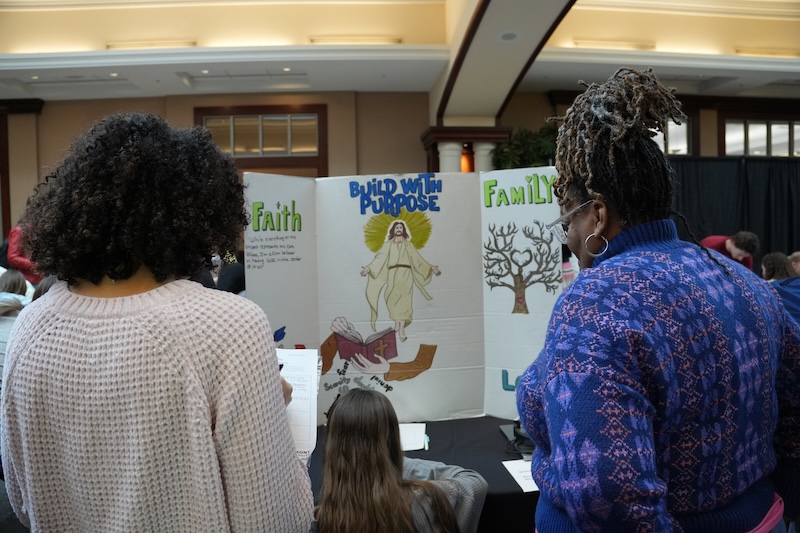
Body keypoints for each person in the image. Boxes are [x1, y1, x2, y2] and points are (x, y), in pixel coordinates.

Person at [515, 67, 800, 532]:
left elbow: (606, 491)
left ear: (598, 215)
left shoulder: (595, 303)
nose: (567, 236)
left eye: (568, 221)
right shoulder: (745, 282)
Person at [0, 112, 313, 532]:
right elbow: (276, 522)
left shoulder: (30, 327)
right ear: (198, 213)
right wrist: (270, 418)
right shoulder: (229, 327)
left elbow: (24, 501)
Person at [313, 388, 487, 533]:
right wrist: (390, 462)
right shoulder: (422, 500)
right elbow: (474, 483)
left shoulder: (320, 517)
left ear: (332, 446)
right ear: (391, 438)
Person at [361, 220, 441, 342]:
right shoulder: (388, 245)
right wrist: (368, 268)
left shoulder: (408, 245)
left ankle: (402, 329)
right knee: (391, 299)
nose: (399, 229)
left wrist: (431, 268)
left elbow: (418, 259)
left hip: (405, 275)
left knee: (404, 301)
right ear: (393, 230)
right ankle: (397, 323)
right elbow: (380, 258)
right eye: (397, 227)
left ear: (403, 230)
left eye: (401, 227)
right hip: (392, 275)